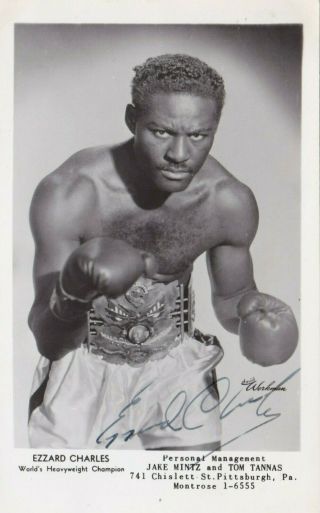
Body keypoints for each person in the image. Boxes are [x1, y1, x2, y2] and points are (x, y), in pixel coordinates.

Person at [28, 54, 298, 450]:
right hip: (80, 365)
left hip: (175, 364)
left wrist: (250, 312)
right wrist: (74, 293)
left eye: (199, 135)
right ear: (131, 120)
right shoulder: (71, 192)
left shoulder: (228, 201)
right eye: (161, 131)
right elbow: (48, 340)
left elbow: (231, 298)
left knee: (195, 498)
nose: (179, 154)